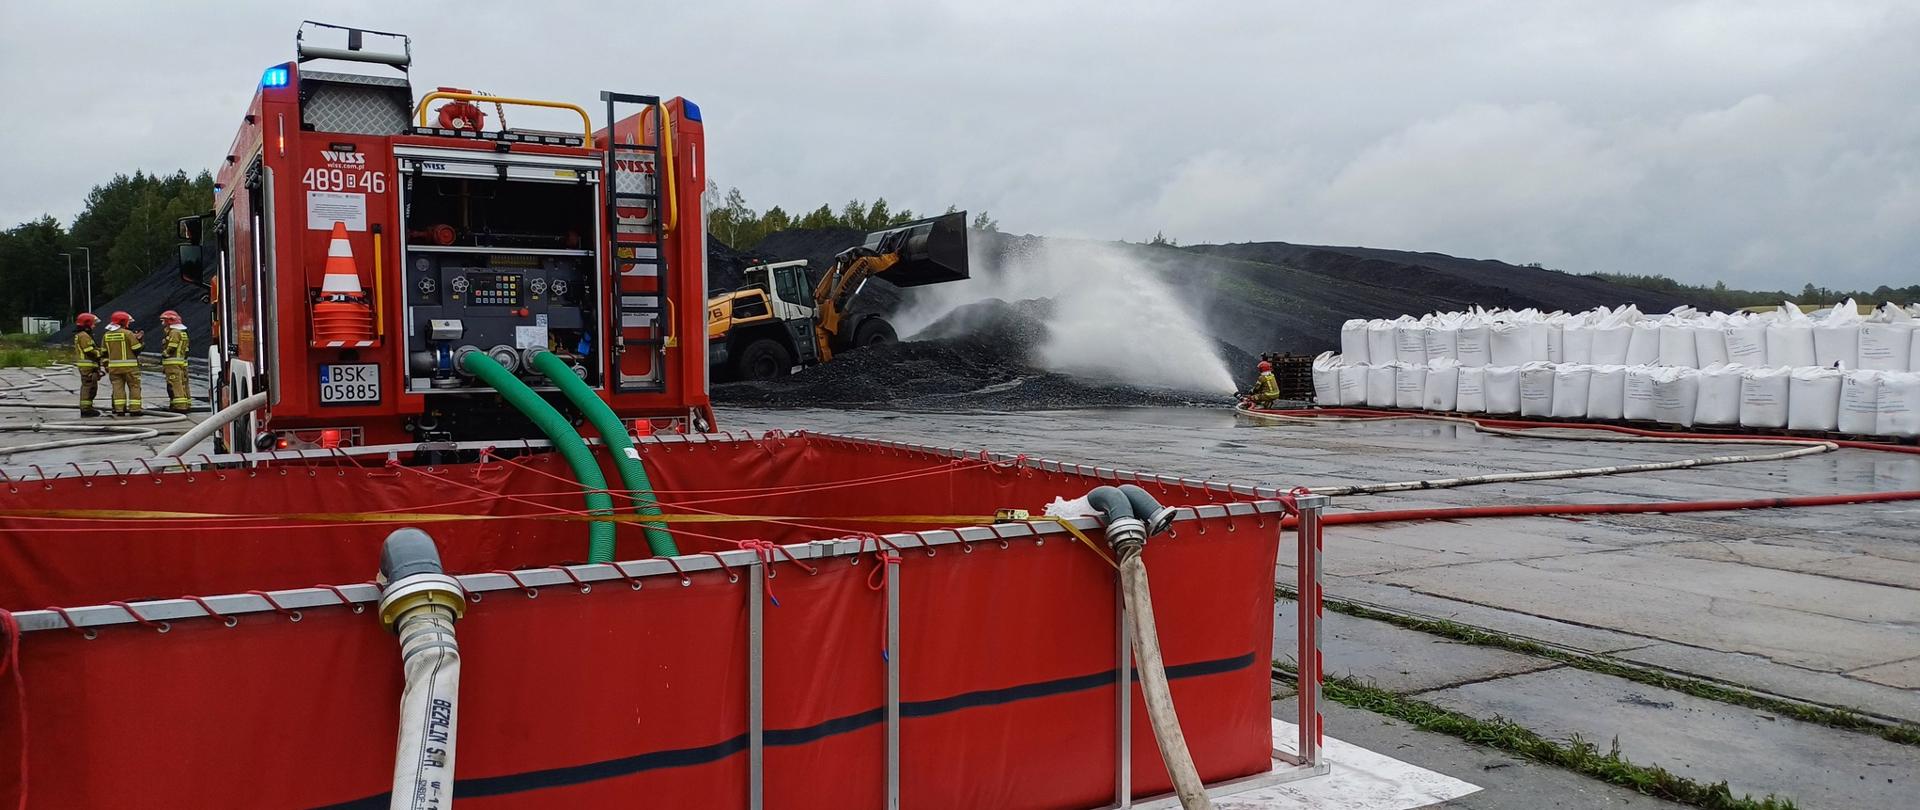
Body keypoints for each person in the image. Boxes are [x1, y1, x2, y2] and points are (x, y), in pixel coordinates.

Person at [102, 311, 144, 416]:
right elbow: (136, 349)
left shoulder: (106, 335)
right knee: (134, 386)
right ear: (123, 322)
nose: (128, 324)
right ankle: (135, 409)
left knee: (117, 388)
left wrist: (106, 365)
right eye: (128, 322)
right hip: (130, 368)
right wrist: (140, 341)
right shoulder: (128, 333)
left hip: (114, 368)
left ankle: (119, 409)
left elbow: (103, 352)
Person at [71, 312, 104, 417]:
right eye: (93, 324)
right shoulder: (84, 335)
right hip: (87, 366)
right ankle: (86, 409)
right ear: (87, 323)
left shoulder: (82, 335)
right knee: (88, 387)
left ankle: (88, 407)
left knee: (91, 387)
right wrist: (100, 353)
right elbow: (89, 350)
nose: (94, 326)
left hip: (88, 366)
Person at [159, 310, 192, 413]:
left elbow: (172, 347)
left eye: (163, 320)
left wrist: (165, 354)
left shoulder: (174, 332)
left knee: (175, 384)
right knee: (182, 384)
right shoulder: (182, 332)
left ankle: (180, 407)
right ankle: (184, 404)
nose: (162, 323)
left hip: (172, 363)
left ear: (170, 321)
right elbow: (186, 350)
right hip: (180, 362)